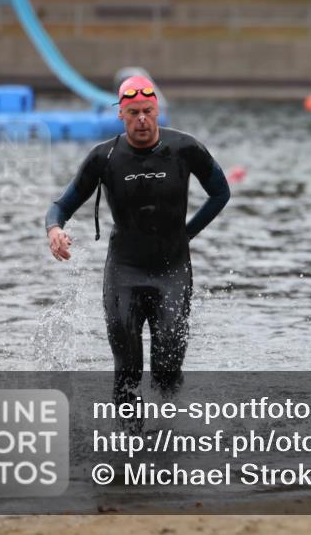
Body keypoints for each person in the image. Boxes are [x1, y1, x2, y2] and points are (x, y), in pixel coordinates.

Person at [45, 76, 230, 423]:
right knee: (127, 369)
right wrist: (55, 229)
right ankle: (127, 448)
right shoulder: (104, 156)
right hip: (124, 273)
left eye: (147, 111)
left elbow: (221, 193)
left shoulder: (185, 148)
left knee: (167, 368)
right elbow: (61, 205)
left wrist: (186, 234)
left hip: (172, 271)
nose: (141, 119)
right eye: (133, 113)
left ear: (157, 111)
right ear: (121, 115)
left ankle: (171, 432)